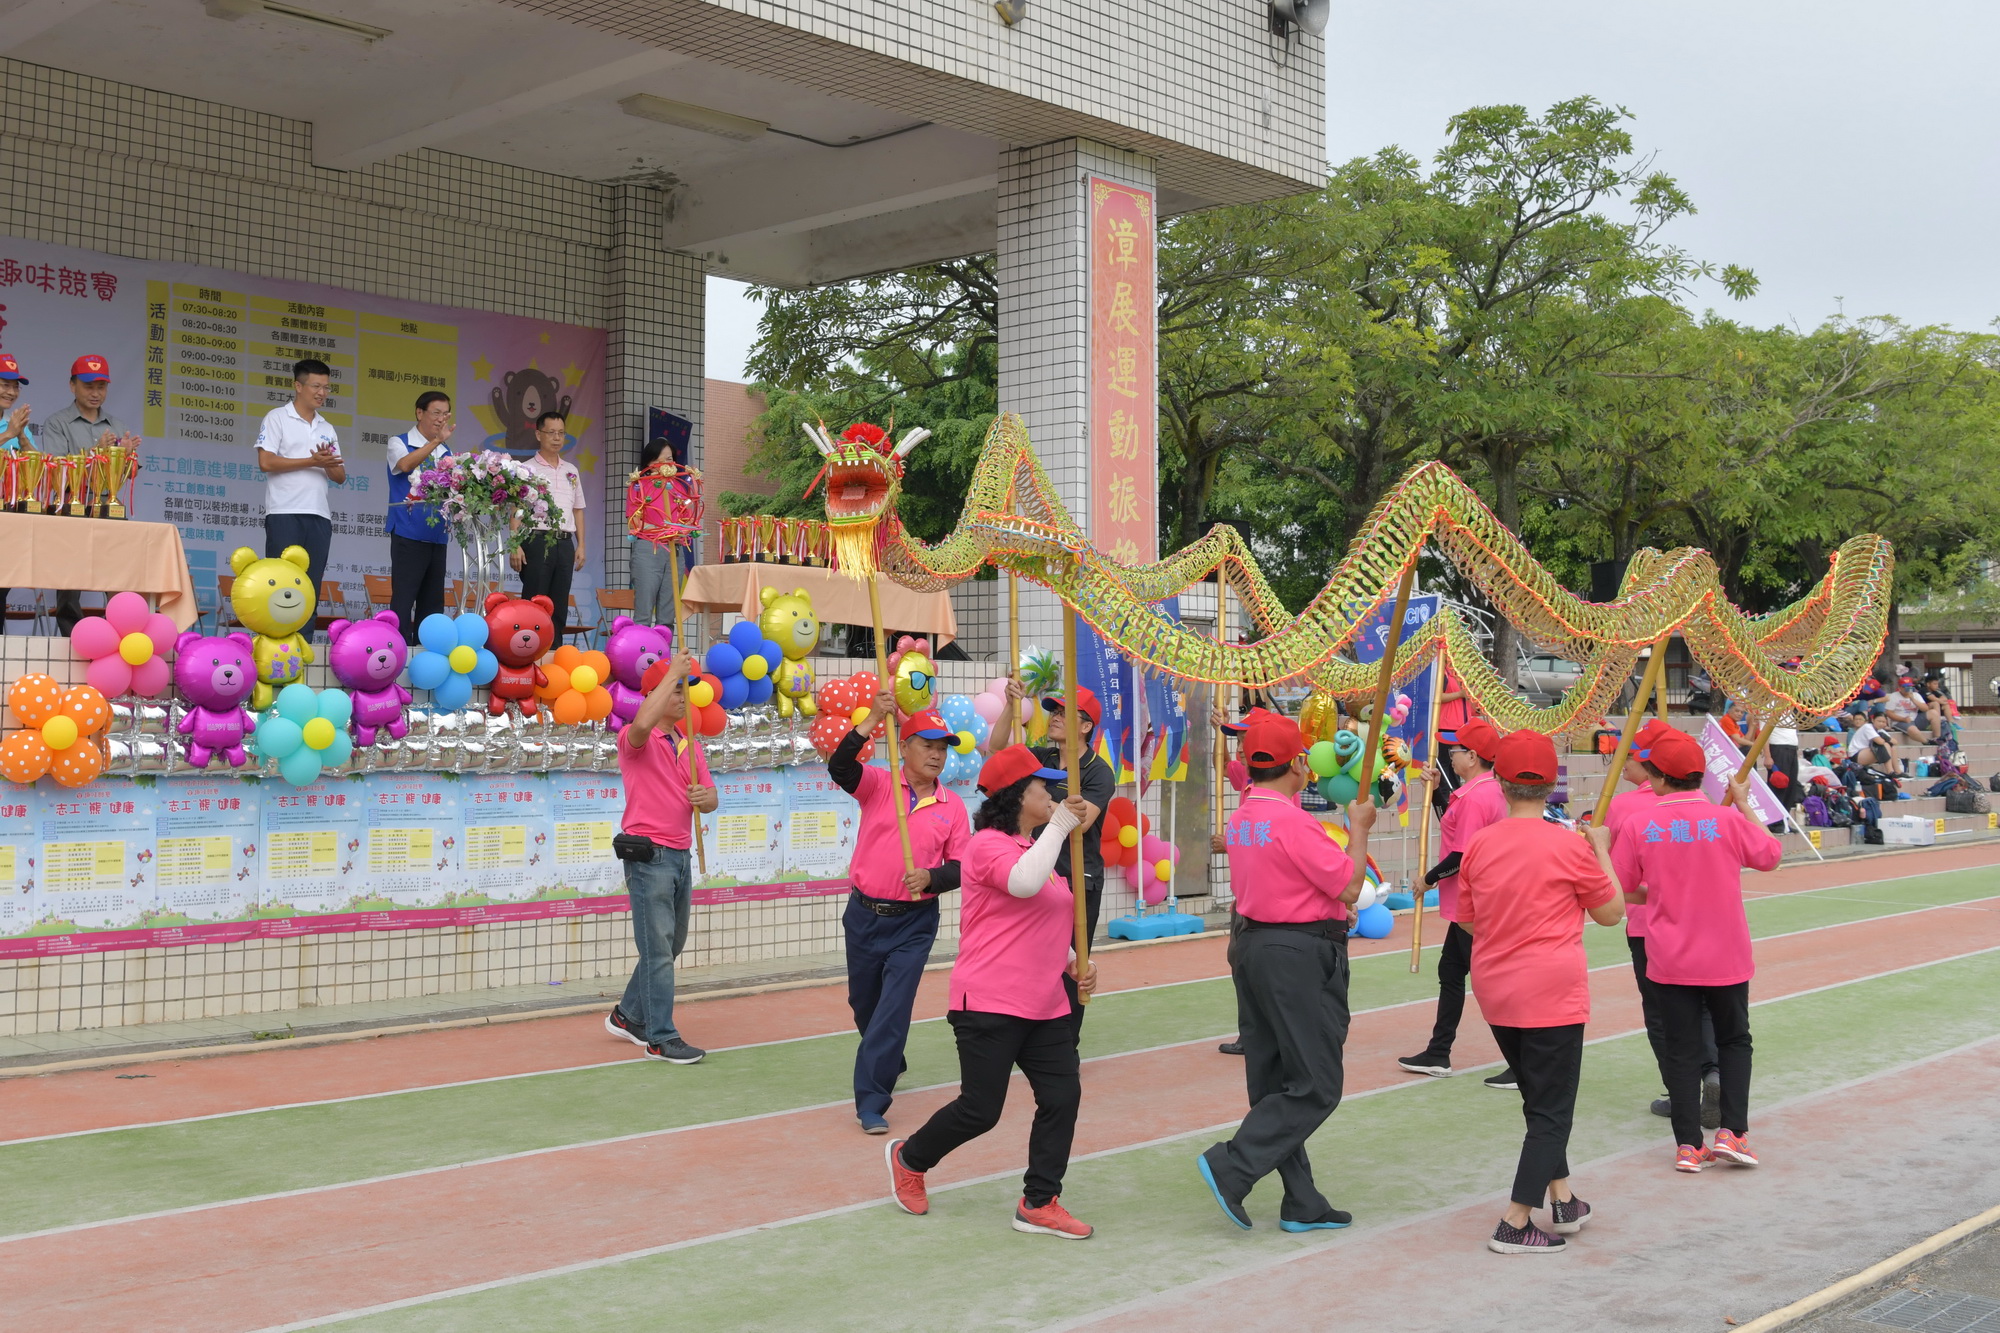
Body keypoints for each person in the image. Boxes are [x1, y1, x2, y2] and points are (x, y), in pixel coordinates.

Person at [887, 744, 1098, 1239]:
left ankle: (1040, 1201)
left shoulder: (1039, 851)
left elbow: (1044, 917)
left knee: (1062, 1095)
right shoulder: (986, 845)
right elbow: (1022, 886)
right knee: (981, 1109)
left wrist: (1073, 964)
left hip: (1044, 1002)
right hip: (988, 1001)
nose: (1051, 792)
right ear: (1015, 793)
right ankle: (909, 1157)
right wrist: (1063, 827)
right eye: (1042, 785)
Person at [1196, 714, 1375, 1234]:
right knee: (1317, 1082)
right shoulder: (1295, 821)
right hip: (1297, 954)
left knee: (1275, 1080)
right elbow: (1347, 885)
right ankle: (1235, 1163)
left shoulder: (1244, 813)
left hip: (1252, 944)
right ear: (1298, 764)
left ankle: (1301, 1199)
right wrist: (1358, 828)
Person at [1459, 729, 1623, 1253]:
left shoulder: (1480, 843)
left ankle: (1564, 1198)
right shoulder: (1569, 845)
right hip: (1550, 988)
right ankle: (1514, 1221)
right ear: (1550, 785)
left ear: (1501, 782)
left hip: (1494, 985)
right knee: (1552, 1109)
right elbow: (1611, 913)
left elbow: (1467, 920)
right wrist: (1601, 851)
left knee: (1539, 1099)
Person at [1612, 728, 1782, 1173]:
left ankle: (1688, 1145)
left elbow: (1620, 888)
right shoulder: (1724, 820)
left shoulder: (1639, 824)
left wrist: (1660, 895)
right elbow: (1771, 855)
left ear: (1656, 775)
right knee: (1734, 1040)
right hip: (1726, 953)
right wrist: (1743, 802)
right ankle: (1733, 1132)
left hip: (1669, 954)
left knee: (1682, 1048)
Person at [830, 690, 971, 1134]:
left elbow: (963, 866)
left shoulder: (953, 807)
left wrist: (933, 878)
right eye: (926, 745)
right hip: (864, 915)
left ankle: (871, 1100)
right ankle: (889, 1054)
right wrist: (872, 718)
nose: (935, 755)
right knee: (864, 1004)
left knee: (893, 1010)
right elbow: (840, 767)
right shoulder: (879, 784)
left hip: (914, 923)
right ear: (904, 747)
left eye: (942, 748)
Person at [604, 655, 718, 1064]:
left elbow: (711, 796)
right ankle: (660, 1036)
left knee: (670, 944)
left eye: (686, 689)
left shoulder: (690, 743)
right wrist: (672, 672)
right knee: (658, 950)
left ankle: (628, 1015)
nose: (685, 696)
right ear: (654, 694)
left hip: (681, 853)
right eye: (676, 689)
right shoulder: (635, 740)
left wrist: (707, 799)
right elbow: (640, 725)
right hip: (649, 855)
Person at [1607, 722, 1721, 1127]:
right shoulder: (1702, 802)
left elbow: (1615, 875)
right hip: (1704, 920)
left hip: (1649, 925)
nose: (1622, 765)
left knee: (1661, 1015)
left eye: (1631, 758)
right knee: (1706, 1006)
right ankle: (1713, 1072)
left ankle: (1681, 1091)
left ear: (1653, 766)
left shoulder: (1625, 808)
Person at [986, 680, 1112, 1026]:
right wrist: (1012, 707)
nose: (1055, 717)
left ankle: (1067, 1041)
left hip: (1076, 877)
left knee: (1073, 963)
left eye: (1065, 713)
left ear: (1086, 727)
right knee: (1030, 955)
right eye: (1054, 711)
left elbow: (1079, 823)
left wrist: (1039, 803)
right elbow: (997, 751)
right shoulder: (1040, 758)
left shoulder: (1098, 772)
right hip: (1037, 871)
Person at [1397, 717, 1514, 1087]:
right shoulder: (1479, 792)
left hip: (1475, 904)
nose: (1450, 754)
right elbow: (1453, 823)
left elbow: (1463, 854)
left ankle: (1521, 1059)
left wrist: (1428, 879)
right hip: (1470, 902)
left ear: (1474, 757)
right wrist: (1435, 794)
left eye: (1456, 749)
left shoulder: (1478, 796)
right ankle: (1439, 1050)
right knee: (1451, 972)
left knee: (1488, 983)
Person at [38, 355, 132, 633]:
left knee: (117, 571)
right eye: (88, 386)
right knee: (70, 572)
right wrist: (95, 453)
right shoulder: (57, 422)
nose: (95, 393)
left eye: (101, 387)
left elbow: (130, 472)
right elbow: (57, 470)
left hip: (108, 504)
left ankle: (120, 630)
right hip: (72, 503)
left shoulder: (115, 425)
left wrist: (126, 458)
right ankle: (71, 633)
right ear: (72, 386)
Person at [255, 358, 346, 591]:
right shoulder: (277, 417)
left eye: (326, 387)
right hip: (285, 513)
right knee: (281, 586)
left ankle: (306, 630)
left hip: (319, 515)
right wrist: (311, 461)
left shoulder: (326, 427)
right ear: (298, 386)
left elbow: (339, 476)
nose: (322, 393)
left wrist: (326, 462)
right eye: (316, 386)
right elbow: (266, 462)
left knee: (310, 586)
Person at [512, 410, 586, 644]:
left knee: (559, 602)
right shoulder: (526, 469)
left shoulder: (571, 471)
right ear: (538, 434)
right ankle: (529, 650)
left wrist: (581, 544)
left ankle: (554, 652)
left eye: (561, 433)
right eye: (551, 432)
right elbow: (517, 509)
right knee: (535, 599)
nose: (556, 438)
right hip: (536, 540)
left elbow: (577, 509)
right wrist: (515, 544)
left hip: (564, 542)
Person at [386, 391, 455, 641]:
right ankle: (399, 653)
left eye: (445, 414)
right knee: (404, 599)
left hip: (437, 535)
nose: (441, 419)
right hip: (408, 532)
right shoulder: (399, 441)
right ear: (419, 412)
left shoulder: (446, 450)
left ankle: (428, 653)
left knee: (433, 602)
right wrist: (435, 442)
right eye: (436, 413)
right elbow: (404, 466)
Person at [627, 437, 694, 625]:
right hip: (649, 549)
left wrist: (682, 531)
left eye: (670, 459)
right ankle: (641, 652)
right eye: (663, 460)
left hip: (675, 550)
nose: (668, 464)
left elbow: (688, 519)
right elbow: (634, 523)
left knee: (667, 615)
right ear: (651, 463)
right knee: (643, 613)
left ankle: (665, 653)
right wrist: (663, 531)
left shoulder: (680, 487)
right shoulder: (639, 486)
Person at [0, 354, 34, 630]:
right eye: (4, 384)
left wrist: (21, 436)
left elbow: (39, 467)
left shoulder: (15, 425)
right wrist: (8, 433)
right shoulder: (8, 427)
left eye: (15, 386)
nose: (11, 392)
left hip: (7, 521)